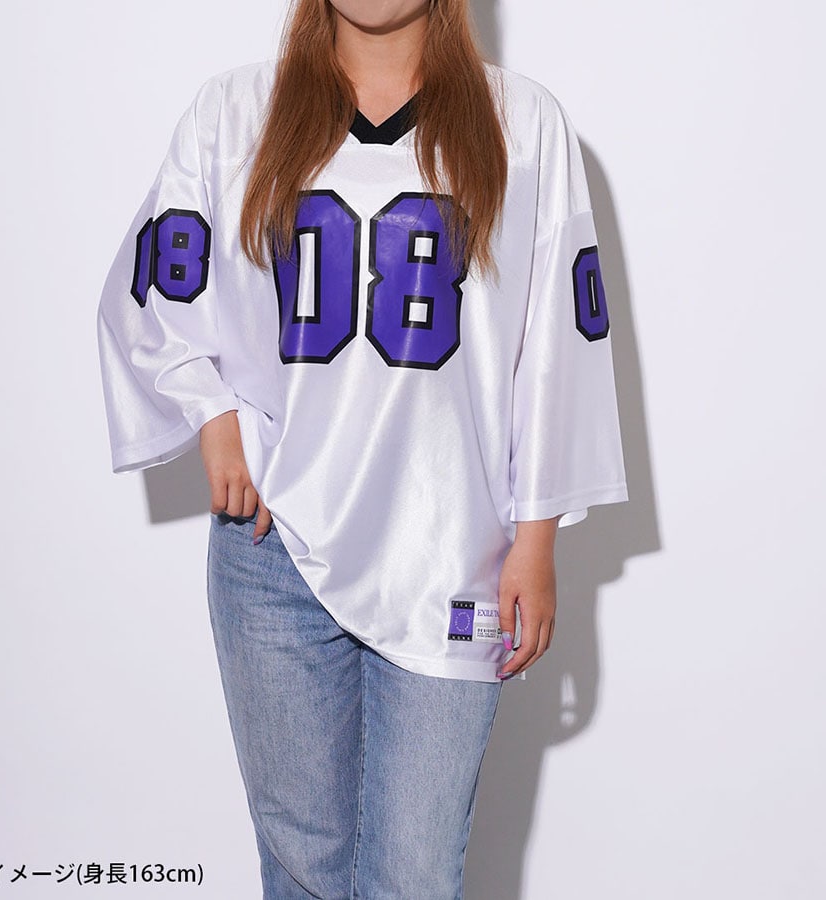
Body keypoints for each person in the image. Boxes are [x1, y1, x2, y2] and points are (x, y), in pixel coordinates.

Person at [97, 0, 627, 896]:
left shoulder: (524, 122)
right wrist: (211, 414)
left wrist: (537, 538)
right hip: (273, 548)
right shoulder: (235, 111)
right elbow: (153, 284)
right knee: (301, 865)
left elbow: (556, 344)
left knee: (414, 874)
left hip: (452, 549)